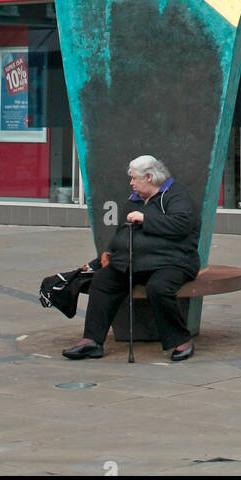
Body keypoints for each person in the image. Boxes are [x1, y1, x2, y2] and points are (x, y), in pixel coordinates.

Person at [63, 155, 201, 363]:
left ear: (148, 177)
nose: (131, 183)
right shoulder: (134, 200)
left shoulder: (176, 196)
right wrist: (110, 251)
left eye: (134, 178)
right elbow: (122, 231)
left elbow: (181, 225)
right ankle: (91, 341)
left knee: (159, 287)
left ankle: (181, 340)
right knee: (103, 281)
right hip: (135, 261)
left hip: (173, 262)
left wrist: (146, 218)